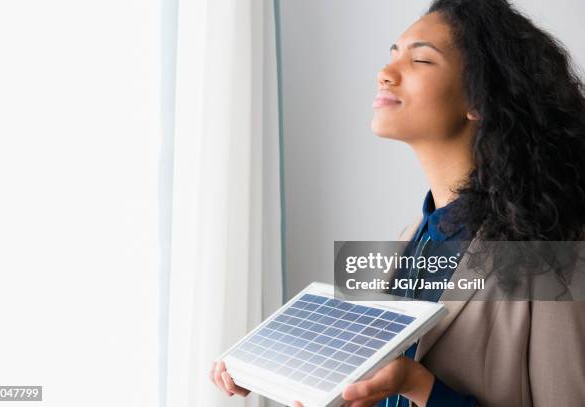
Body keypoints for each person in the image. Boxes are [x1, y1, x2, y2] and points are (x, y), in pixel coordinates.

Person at [211, 0, 585, 405]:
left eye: (421, 60)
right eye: (392, 56)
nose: (385, 74)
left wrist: (421, 387)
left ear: (479, 99)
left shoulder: (553, 250)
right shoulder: (411, 238)